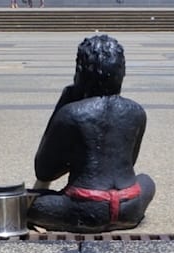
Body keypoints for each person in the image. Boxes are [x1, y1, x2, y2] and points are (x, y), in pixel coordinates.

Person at [27, 35, 157, 233]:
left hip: (84, 208)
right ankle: (125, 211)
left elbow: (44, 170)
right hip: (129, 206)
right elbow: (129, 162)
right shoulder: (137, 111)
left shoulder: (72, 113)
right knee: (146, 180)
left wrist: (63, 103)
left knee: (19, 200)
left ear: (80, 71)